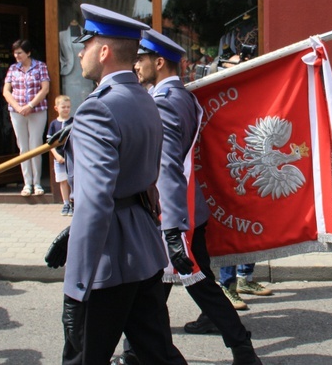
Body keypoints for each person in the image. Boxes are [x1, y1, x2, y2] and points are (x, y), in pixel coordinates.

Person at [111, 29, 262, 365]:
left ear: (159, 62)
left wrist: (171, 227)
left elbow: (166, 168)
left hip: (175, 215)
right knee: (159, 290)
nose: (136, 66)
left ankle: (242, 348)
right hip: (189, 210)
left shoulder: (163, 104)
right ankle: (137, 351)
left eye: (141, 60)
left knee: (197, 287)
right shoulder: (182, 96)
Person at [61, 4, 186, 365]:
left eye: (85, 45)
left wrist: (76, 286)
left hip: (107, 259)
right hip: (143, 248)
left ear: (103, 51)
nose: (79, 53)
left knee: (83, 358)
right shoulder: (146, 99)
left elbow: (93, 203)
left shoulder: (97, 108)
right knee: (157, 354)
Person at [2, 39, 50, 196]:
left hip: (36, 111)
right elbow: (6, 91)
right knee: (23, 147)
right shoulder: (12, 69)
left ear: (28, 53)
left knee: (35, 145)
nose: (17, 55)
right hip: (17, 112)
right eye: (15, 53)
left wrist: (30, 105)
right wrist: (18, 107)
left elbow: (45, 89)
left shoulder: (40, 66)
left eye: (20, 52)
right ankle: (27, 183)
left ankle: (37, 183)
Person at [47, 95, 73, 216]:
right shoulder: (53, 124)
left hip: (72, 158)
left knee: (72, 179)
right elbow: (49, 143)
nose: (66, 109)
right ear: (56, 108)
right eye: (63, 107)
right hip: (60, 158)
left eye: (68, 107)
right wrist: (56, 156)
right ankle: (66, 203)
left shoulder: (73, 121)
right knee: (63, 180)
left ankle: (74, 202)